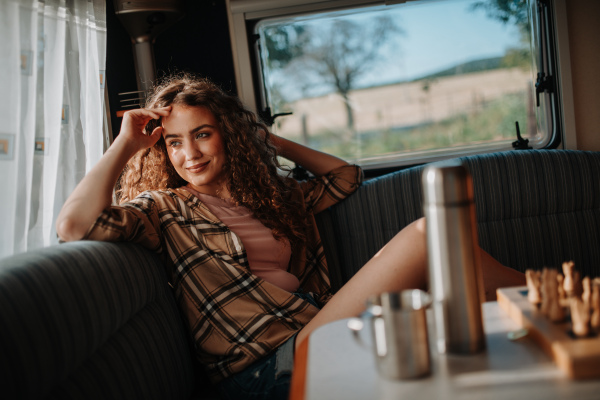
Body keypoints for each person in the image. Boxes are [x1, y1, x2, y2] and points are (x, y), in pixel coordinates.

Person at [56, 74, 524, 399]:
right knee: (428, 235)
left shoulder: (269, 198)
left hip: (313, 332)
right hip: (264, 369)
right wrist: (127, 143)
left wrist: (266, 140)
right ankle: (542, 302)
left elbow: (345, 177)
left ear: (228, 137)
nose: (190, 153)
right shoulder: (165, 209)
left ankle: (538, 321)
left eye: (203, 134)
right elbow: (73, 226)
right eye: (175, 141)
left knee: (436, 310)